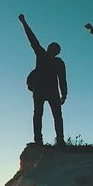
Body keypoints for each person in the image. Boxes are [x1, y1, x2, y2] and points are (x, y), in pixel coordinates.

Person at [18, 14, 67, 146]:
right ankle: (39, 140)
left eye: (55, 49)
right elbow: (32, 39)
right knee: (39, 114)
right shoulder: (41, 54)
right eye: (52, 48)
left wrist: (64, 93)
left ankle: (60, 140)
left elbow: (62, 79)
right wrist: (24, 23)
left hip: (51, 91)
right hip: (40, 89)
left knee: (56, 116)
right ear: (49, 48)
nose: (53, 50)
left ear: (57, 52)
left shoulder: (59, 63)